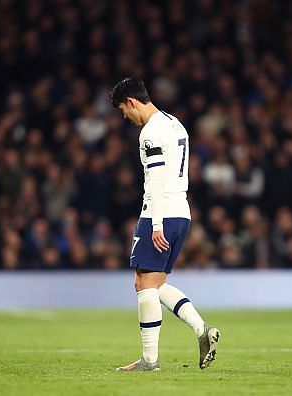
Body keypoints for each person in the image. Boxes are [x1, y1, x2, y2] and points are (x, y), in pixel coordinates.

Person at [110, 78, 220, 372]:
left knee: (144, 282)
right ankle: (201, 330)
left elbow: (155, 179)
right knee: (153, 282)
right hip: (181, 211)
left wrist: (155, 225)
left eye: (123, 110)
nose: (126, 117)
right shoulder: (174, 123)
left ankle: (149, 360)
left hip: (160, 212)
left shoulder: (150, 133)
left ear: (132, 102)